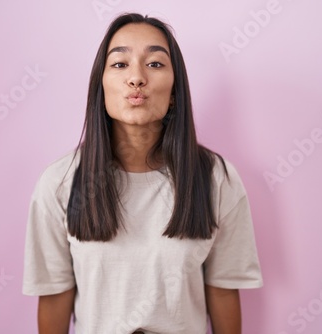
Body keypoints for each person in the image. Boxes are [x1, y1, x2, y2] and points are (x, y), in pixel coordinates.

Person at [23, 13, 263, 334]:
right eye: (120, 64)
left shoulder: (216, 178)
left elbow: (222, 291)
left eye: (154, 64)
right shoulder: (60, 183)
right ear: (101, 86)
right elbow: (54, 299)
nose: (136, 77)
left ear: (175, 90)